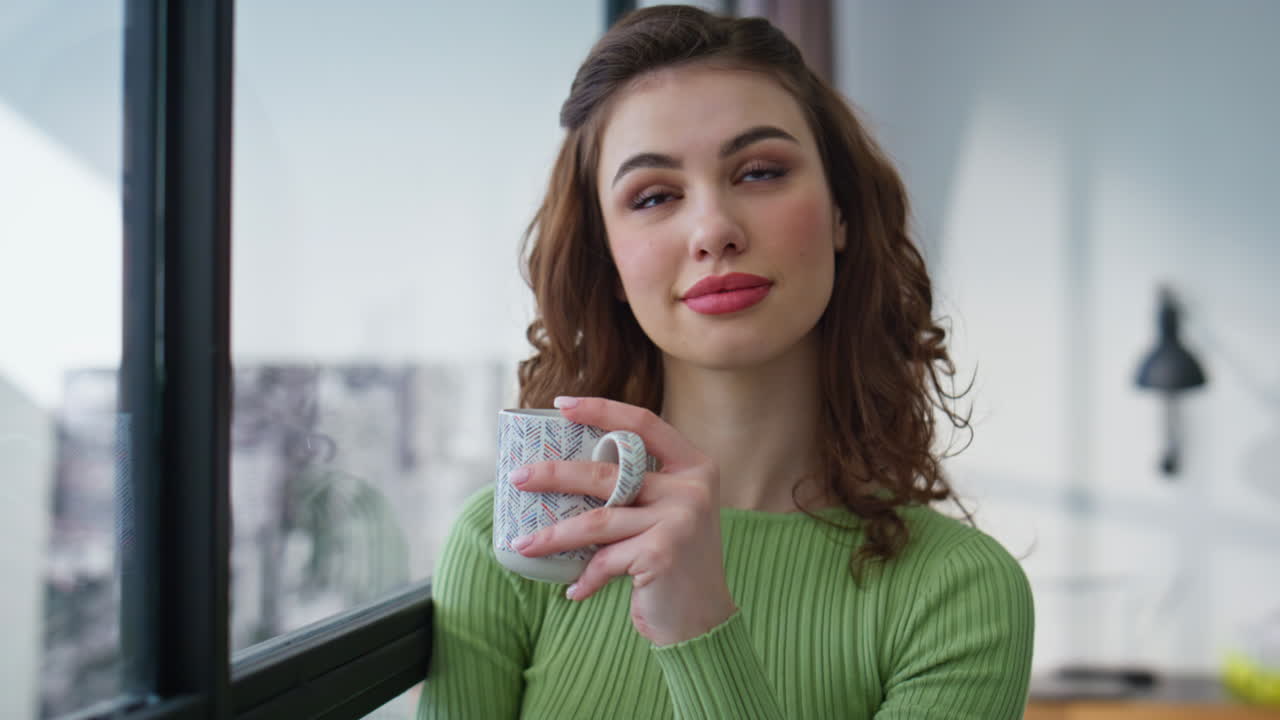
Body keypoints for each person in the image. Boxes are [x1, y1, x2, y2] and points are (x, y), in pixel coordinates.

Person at [417, 5, 1034, 719]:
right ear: (609, 261)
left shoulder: (960, 593)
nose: (713, 229)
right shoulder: (521, 548)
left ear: (841, 212)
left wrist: (700, 628)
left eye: (761, 172)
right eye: (653, 196)